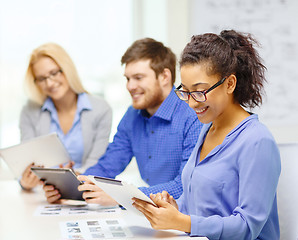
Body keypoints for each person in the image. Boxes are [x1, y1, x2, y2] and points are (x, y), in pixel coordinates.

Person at [132, 30, 281, 240]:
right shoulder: (207, 129)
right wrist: (175, 207)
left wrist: (181, 222)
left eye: (200, 91)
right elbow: (200, 202)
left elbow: (248, 227)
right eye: (185, 91)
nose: (192, 102)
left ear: (230, 84)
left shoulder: (257, 141)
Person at [43, 38, 203, 204]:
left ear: (164, 76)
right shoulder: (133, 115)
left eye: (138, 78)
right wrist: (71, 185)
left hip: (188, 214)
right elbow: (108, 164)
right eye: (127, 79)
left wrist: (122, 196)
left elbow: (185, 186)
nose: (130, 86)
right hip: (157, 214)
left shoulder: (193, 115)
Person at [19, 43, 112, 191]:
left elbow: (97, 162)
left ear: (67, 69)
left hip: (84, 191)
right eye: (42, 79)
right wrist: (24, 183)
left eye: (54, 73)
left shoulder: (100, 109)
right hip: (43, 195)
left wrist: (71, 178)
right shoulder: (30, 110)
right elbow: (26, 162)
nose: (49, 83)